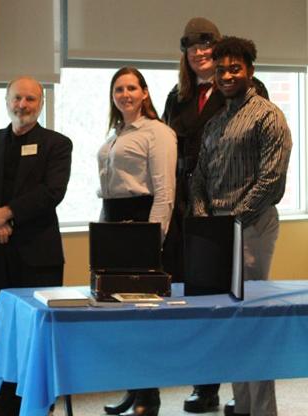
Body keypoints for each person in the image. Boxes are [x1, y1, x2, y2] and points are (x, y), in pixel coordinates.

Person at [162, 18, 269, 413]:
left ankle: (246, 398)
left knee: (239, 305)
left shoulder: (243, 93)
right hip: (189, 206)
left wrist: (232, 210)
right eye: (192, 49)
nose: (201, 54)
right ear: (185, 57)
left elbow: (260, 162)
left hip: (236, 208)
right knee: (200, 301)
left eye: (207, 47)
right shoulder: (178, 98)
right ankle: (206, 386)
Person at [191, 36, 292, 416]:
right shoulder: (216, 121)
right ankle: (243, 407)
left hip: (252, 227)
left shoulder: (268, 116)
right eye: (221, 70)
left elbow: (272, 182)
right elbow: (200, 175)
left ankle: (263, 411)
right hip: (218, 232)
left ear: (250, 71)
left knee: (253, 324)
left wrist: (234, 218)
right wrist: (204, 214)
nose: (228, 75)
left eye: (235, 68)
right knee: (232, 325)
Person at [0, 76, 73, 416]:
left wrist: (7, 215)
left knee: (37, 334)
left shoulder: (57, 144)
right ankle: (1, 403)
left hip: (38, 255)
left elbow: (51, 192)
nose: (23, 105)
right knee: (0, 331)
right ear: (6, 101)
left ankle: (38, 404)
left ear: (40, 103)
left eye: (30, 99)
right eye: (17, 98)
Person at [98, 67, 176, 416]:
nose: (125, 94)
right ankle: (132, 387)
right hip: (113, 219)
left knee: (144, 316)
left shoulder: (157, 132)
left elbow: (165, 193)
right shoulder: (116, 133)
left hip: (141, 221)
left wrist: (152, 240)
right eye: (119, 88)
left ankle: (149, 397)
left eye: (132, 87)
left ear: (145, 93)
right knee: (120, 314)